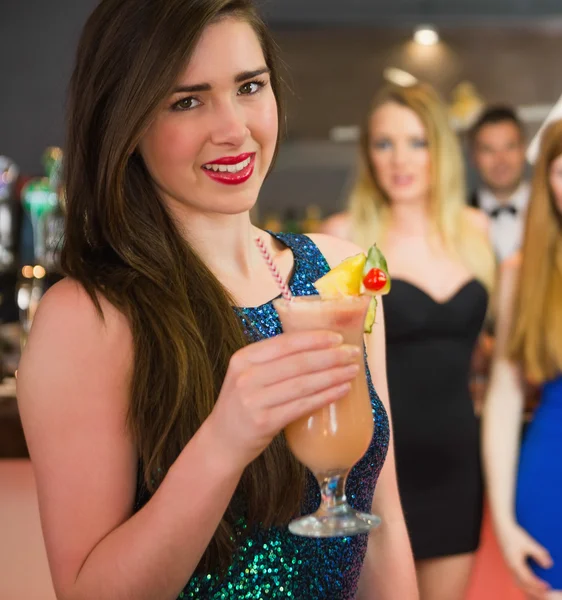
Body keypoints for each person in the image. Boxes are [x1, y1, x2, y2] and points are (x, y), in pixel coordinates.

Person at [15, 1, 418, 599]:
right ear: (125, 124)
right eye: (187, 100)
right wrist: (224, 441)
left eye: (249, 87)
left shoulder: (338, 273)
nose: (233, 128)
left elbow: (380, 527)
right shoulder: (91, 318)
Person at [321, 81, 496, 600]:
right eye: (384, 143)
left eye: (416, 142)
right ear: (367, 153)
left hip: (458, 463)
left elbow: (478, 350)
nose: (400, 159)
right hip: (377, 466)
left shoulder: (474, 230)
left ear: (439, 150)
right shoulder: (344, 235)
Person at [483, 117, 562, 600]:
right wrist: (504, 521)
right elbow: (504, 400)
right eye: (561, 171)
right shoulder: (523, 272)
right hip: (552, 485)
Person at [468, 105, 530, 262]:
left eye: (510, 147)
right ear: (474, 156)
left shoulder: (553, 210)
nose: (501, 160)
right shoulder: (456, 217)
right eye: (488, 150)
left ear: (524, 150)